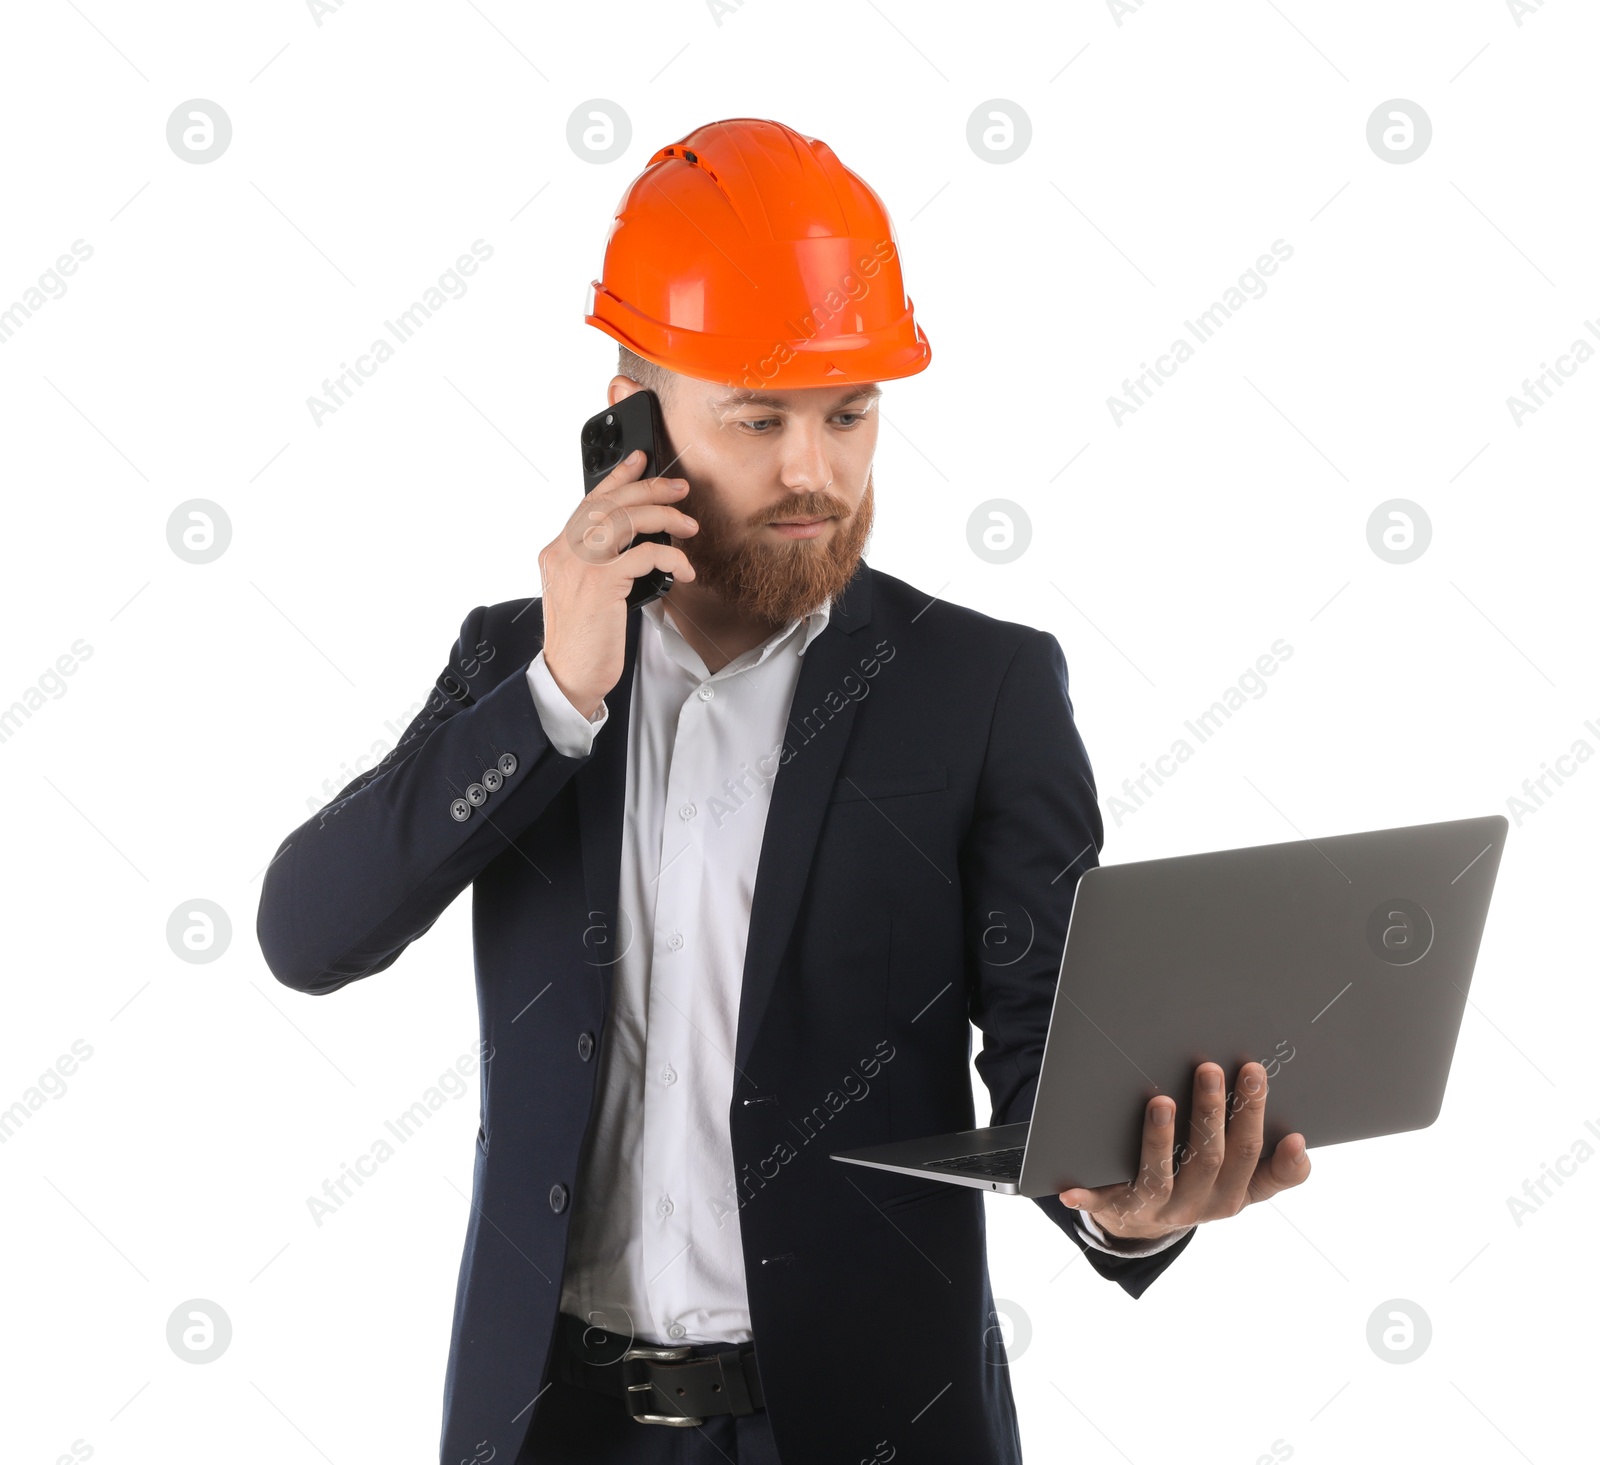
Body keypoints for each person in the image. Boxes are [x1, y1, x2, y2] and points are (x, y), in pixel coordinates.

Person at [256, 117, 1310, 1465]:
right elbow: (309, 931)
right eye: (758, 417)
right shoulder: (514, 669)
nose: (814, 469)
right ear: (632, 410)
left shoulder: (983, 691)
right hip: (555, 1428)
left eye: (850, 412)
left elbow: (1055, 1062)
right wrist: (553, 698)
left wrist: (1131, 1201)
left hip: (867, 1425)